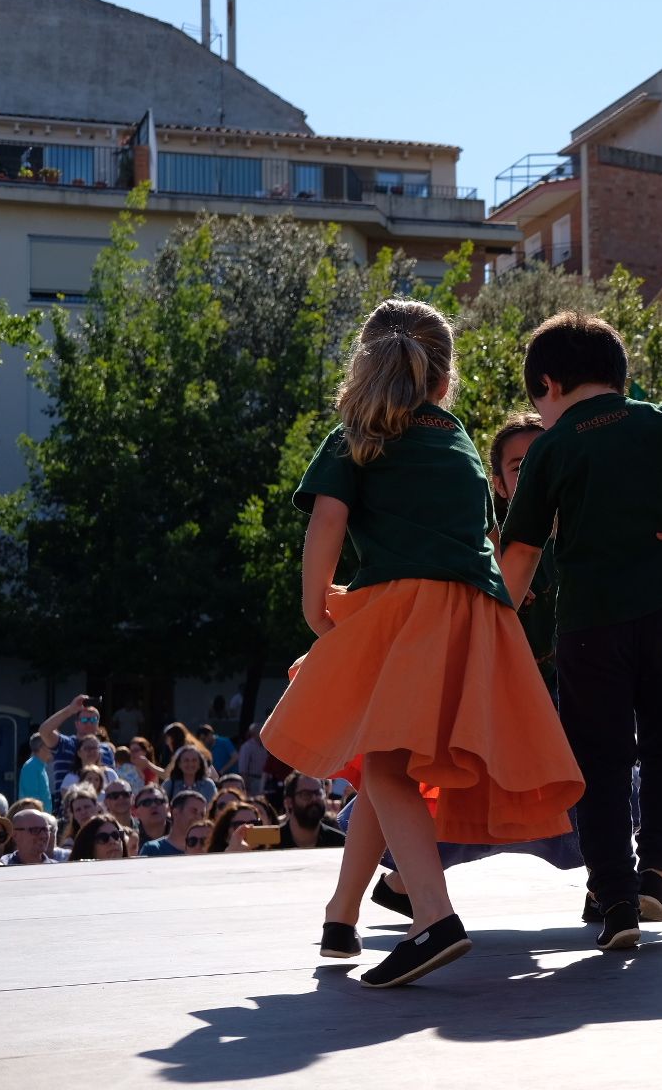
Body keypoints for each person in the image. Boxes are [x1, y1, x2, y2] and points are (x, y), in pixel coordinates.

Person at [261, 298, 584, 988]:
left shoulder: (360, 431)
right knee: (390, 764)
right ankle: (342, 914)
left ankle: (434, 918)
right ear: (445, 378)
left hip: (410, 609)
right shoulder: (457, 438)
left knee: (383, 767)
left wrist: (316, 605)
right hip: (474, 613)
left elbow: (326, 520)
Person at [497, 311, 662, 952]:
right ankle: (656, 870)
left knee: (598, 764)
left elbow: (520, 556)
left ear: (547, 383)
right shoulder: (657, 420)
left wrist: (493, 628)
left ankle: (617, 902)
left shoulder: (551, 446)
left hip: (590, 626)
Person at [37, 696, 104, 788]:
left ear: (98, 724)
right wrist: (70, 710)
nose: (89, 723)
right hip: (67, 800)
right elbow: (44, 731)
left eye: (93, 720)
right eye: (84, 720)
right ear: (76, 723)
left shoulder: (106, 749)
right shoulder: (65, 744)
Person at [276, 773, 345, 849]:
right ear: (289, 802)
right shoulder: (271, 843)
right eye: (306, 794)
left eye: (318, 793)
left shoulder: (339, 844)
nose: (314, 799)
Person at [139, 790, 206, 858]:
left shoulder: (206, 849)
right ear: (175, 813)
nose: (198, 817)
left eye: (202, 814)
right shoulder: (153, 850)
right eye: (194, 811)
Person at [19, 734, 52, 811]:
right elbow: (32, 799)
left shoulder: (40, 766)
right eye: (50, 744)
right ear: (42, 747)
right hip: (35, 818)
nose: (53, 747)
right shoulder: (31, 767)